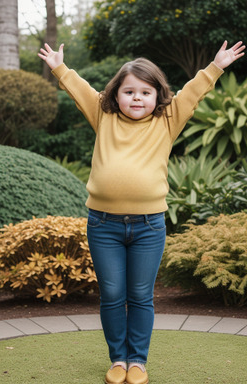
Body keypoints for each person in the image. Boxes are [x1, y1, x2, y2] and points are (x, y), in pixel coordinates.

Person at [38, 40, 245, 384]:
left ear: (157, 96)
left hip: (149, 227)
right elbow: (81, 91)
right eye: (129, 91)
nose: (137, 98)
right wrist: (60, 67)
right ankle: (118, 360)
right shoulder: (104, 117)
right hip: (103, 225)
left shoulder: (168, 120)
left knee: (139, 296)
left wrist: (216, 66)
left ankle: (138, 361)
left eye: (145, 92)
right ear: (115, 95)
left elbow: (192, 94)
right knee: (113, 295)